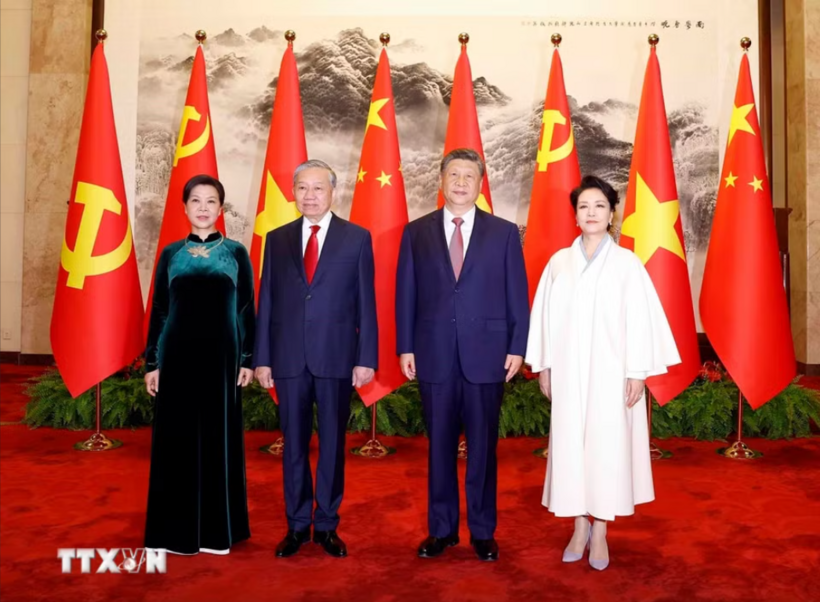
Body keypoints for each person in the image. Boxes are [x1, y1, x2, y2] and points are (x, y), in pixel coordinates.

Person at [525, 175, 680, 570]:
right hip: (568, 373)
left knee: (607, 449)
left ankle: (601, 530)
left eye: (599, 206)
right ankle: (579, 525)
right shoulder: (559, 263)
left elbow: (642, 321)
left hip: (613, 375)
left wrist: (637, 372)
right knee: (571, 446)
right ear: (575, 215)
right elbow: (543, 319)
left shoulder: (628, 265)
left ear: (612, 214)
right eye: (583, 207)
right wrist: (544, 366)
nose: (591, 213)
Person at [396, 148, 530, 562]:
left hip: (487, 356)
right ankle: (441, 530)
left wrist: (517, 347)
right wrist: (405, 346)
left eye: (468, 176)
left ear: (480, 183)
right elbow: (406, 293)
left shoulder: (503, 233)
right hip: (433, 354)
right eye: (453, 174)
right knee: (438, 447)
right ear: (441, 180)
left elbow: (517, 295)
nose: (459, 182)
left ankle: (483, 532)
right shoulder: (416, 232)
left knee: (483, 449)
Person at [254, 159, 378, 559]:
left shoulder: (356, 238)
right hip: (288, 359)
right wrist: (262, 358)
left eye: (318, 188)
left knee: (332, 445)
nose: (310, 195)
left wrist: (366, 358)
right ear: (294, 192)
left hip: (336, 357)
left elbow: (366, 303)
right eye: (303, 188)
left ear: (332, 192)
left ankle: (326, 524)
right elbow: (267, 301)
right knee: (292, 445)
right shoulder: (277, 239)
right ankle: (296, 525)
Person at [144, 174, 255, 555]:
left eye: (211, 201)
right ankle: (174, 532)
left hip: (222, 360)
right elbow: (159, 310)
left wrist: (248, 359)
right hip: (176, 357)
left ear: (220, 209)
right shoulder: (171, 253)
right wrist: (152, 363)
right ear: (185, 207)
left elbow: (246, 309)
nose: (203, 208)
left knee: (217, 438)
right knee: (176, 440)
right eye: (196, 200)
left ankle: (216, 531)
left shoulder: (236, 253)